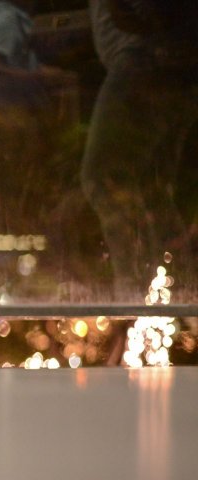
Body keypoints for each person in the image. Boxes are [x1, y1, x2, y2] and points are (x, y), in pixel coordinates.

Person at [80, 0, 198, 299]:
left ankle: (137, 295)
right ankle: (176, 291)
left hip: (147, 57)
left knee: (103, 177)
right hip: (166, 60)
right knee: (152, 187)